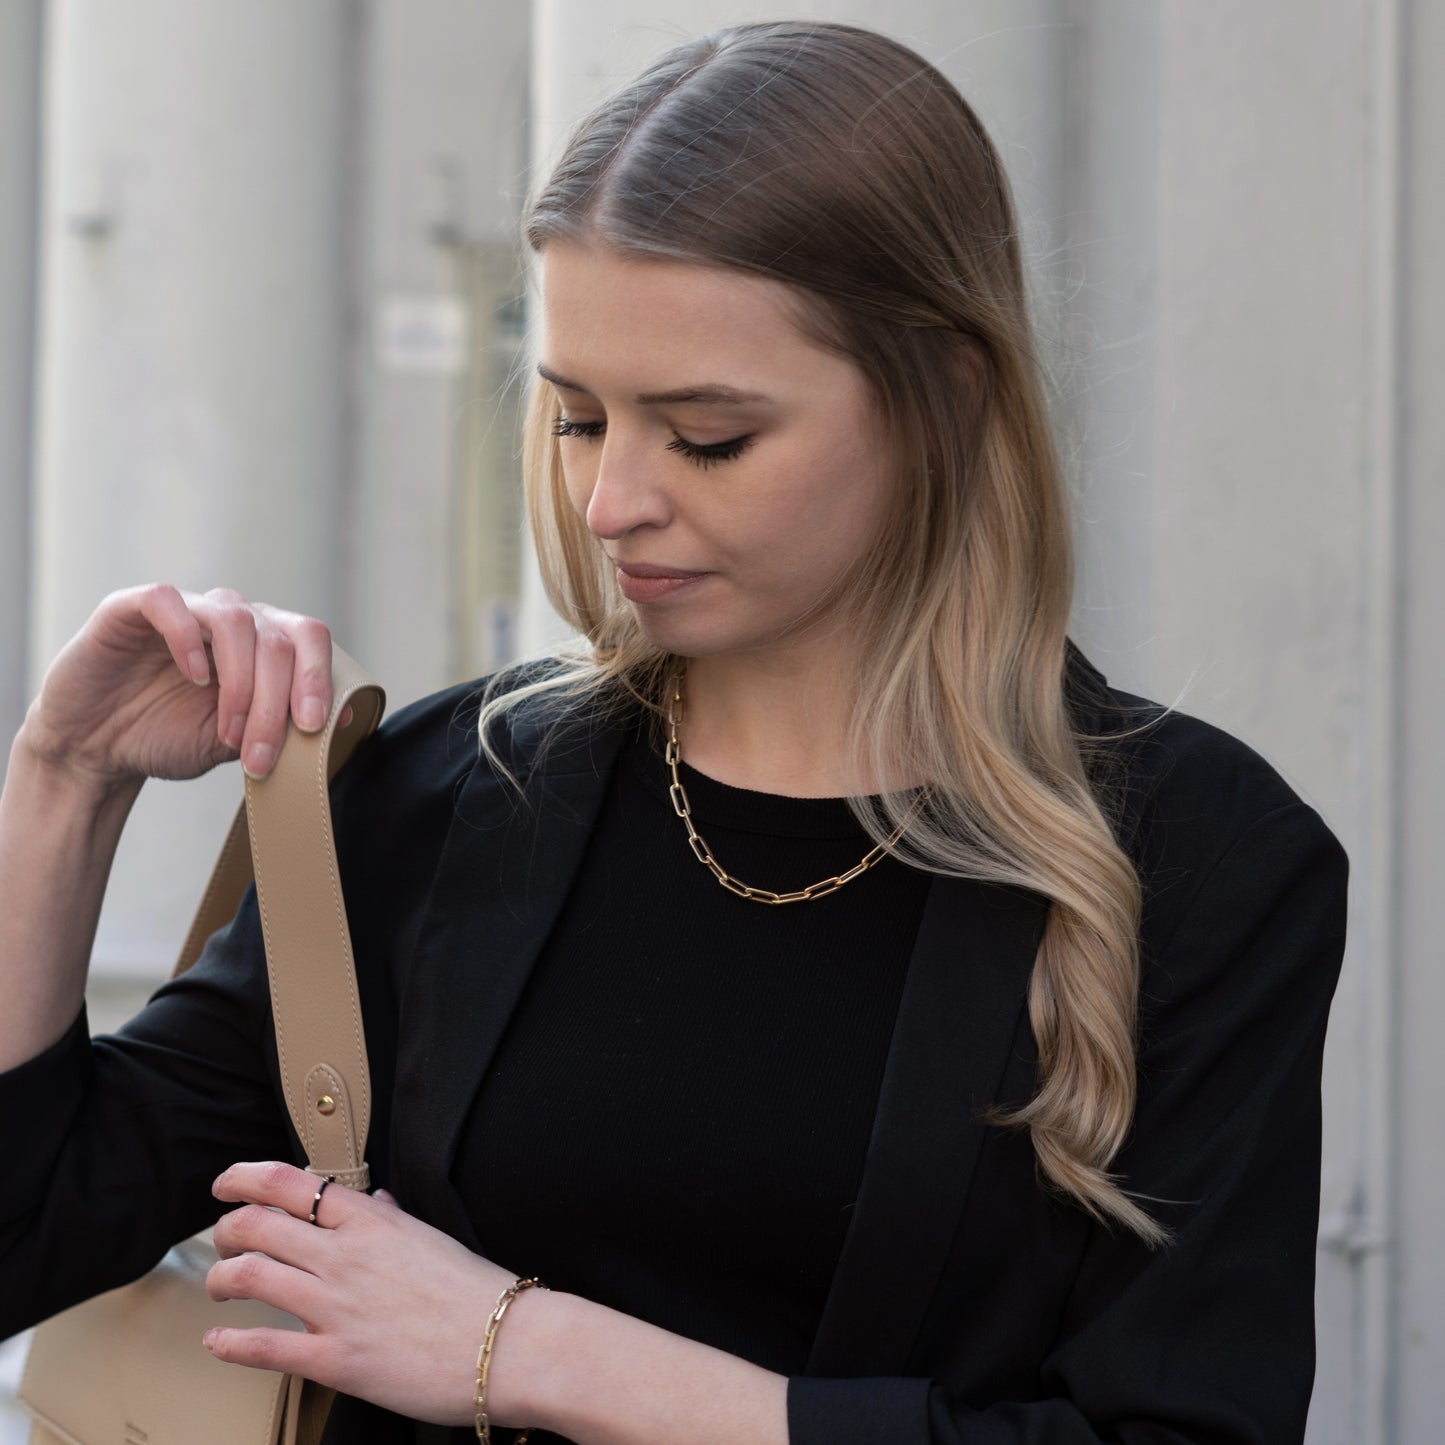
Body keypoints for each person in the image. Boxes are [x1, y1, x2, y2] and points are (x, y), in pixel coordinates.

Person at [0, 20, 1347, 1445]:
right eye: (577, 417)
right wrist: (61, 784)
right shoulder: (446, 801)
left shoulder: (1198, 863)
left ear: (946, 395)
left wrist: (523, 1348)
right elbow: (27, 1231)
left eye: (704, 434)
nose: (609, 502)